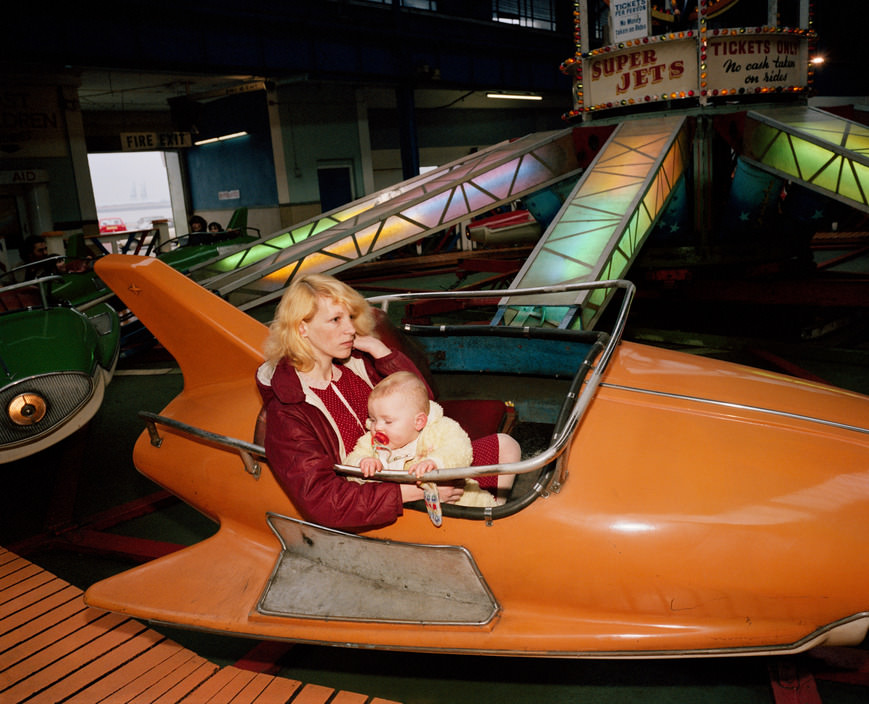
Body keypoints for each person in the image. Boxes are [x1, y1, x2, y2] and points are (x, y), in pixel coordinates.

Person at [255, 273, 519, 531]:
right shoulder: (289, 409)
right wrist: (415, 491)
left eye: (349, 317)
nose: (349, 328)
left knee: (505, 448)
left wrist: (379, 351)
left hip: (411, 459)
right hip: (374, 493)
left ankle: (489, 522)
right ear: (302, 328)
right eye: (335, 320)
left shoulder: (357, 364)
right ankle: (482, 531)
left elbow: (421, 401)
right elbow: (324, 501)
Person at [345, 371, 501, 508]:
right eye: (373, 419)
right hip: (409, 512)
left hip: (463, 504)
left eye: (388, 421)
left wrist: (436, 463)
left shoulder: (439, 429)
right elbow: (350, 461)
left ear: (418, 422)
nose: (377, 427)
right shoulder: (370, 441)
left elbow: (460, 449)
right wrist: (362, 463)